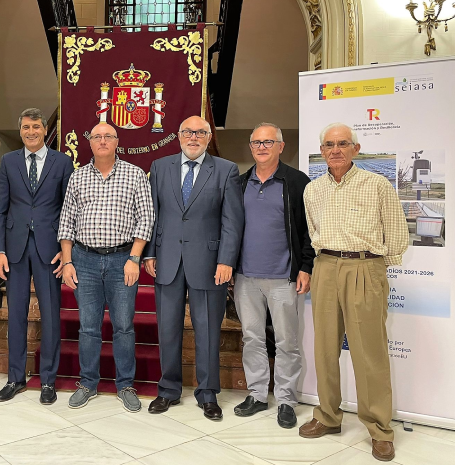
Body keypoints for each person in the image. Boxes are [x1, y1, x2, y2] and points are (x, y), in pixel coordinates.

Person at [300, 123, 408, 462]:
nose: (335, 150)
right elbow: (312, 229)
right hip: (326, 267)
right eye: (329, 144)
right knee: (324, 348)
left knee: (369, 352)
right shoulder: (313, 190)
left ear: (355, 149)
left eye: (342, 143)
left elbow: (395, 231)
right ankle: (328, 416)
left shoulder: (377, 184)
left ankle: (379, 429)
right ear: (322, 151)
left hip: (365, 268)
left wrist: (376, 270)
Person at [144, 115, 244, 421]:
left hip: (209, 263)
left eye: (200, 132)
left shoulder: (226, 170)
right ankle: (168, 389)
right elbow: (153, 214)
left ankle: (208, 393)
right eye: (187, 131)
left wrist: (226, 260)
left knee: (208, 330)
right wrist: (149, 253)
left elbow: (232, 221)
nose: (193, 137)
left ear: (208, 136)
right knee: (168, 329)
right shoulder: (161, 167)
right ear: (178, 135)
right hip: (167, 260)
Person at [58, 123, 154, 412]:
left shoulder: (135, 174)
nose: (102, 140)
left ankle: (125, 384)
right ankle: (88, 383)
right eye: (96, 136)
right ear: (89, 142)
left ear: (117, 142)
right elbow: (66, 223)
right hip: (84, 261)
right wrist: (67, 261)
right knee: (88, 328)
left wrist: (134, 259)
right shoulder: (78, 177)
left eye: (107, 136)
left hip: (121, 260)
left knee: (123, 327)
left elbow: (145, 219)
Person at [233, 122, 314, 428]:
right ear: (251, 148)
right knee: (251, 338)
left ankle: (286, 400)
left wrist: (305, 267)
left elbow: (309, 232)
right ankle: (256, 394)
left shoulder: (297, 183)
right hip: (245, 278)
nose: (262, 147)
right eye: (257, 142)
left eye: (269, 142)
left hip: (284, 279)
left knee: (287, 342)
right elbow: (232, 230)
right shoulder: (240, 184)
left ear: (281, 146)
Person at [0, 108, 73, 405]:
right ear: (21, 129)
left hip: (49, 249)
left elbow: (69, 210)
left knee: (51, 315)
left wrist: (67, 252)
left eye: (36, 126)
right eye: (25, 127)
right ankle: (15, 378)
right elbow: (0, 209)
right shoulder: (8, 161)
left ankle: (48, 380)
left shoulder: (62, 162)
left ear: (44, 130)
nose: (30, 132)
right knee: (16, 314)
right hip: (14, 249)